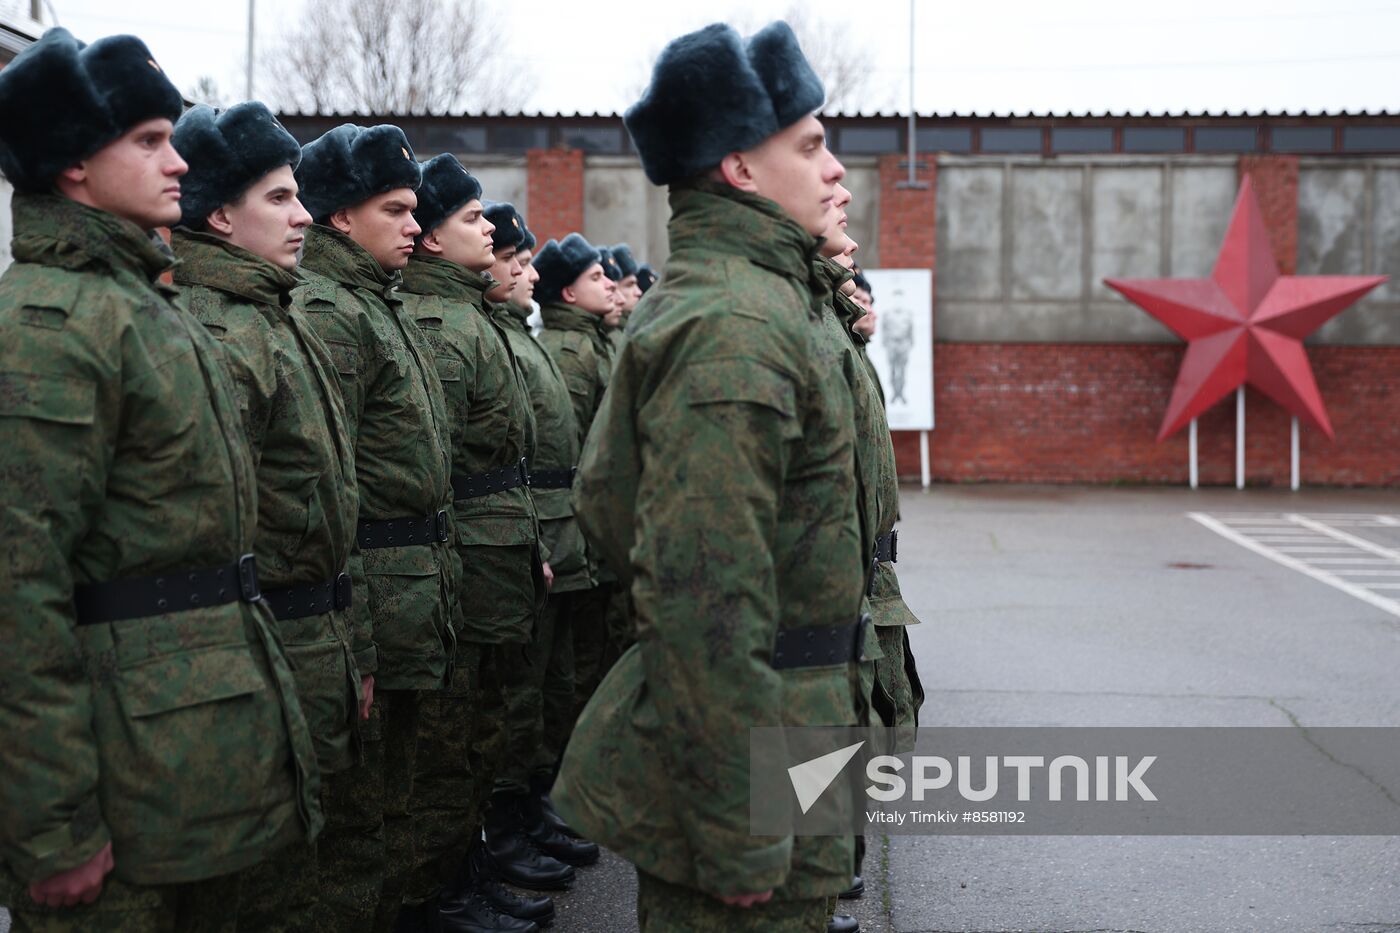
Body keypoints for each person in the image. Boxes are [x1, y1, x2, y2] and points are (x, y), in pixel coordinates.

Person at [0, 28, 320, 932]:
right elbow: (18, 590)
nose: (179, 161)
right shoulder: (52, 324)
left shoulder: (146, 304)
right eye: (147, 140)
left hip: (183, 757)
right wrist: (55, 824)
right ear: (71, 164)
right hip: (117, 772)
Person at [551, 21, 868, 932]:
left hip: (789, 724)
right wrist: (738, 823)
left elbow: (613, 506)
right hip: (758, 741)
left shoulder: (763, 300)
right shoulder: (734, 323)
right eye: (809, 146)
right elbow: (702, 594)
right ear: (739, 167)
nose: (835, 168)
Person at [171, 100, 366, 933]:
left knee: (304, 875)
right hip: (267, 643)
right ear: (220, 215)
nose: (304, 215)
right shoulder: (222, 332)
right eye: (279, 199)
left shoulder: (274, 317)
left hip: (310, 635)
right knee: (269, 893)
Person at [396, 156, 568, 933]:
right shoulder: (440, 326)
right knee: (451, 740)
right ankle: (449, 888)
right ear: (431, 239)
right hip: (458, 562)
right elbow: (435, 472)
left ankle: (471, 866)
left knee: (484, 727)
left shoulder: (472, 321)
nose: (493, 231)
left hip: (495, 551)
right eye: (473, 219)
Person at [292, 123, 457, 933]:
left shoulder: (374, 304)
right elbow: (332, 489)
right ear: (338, 217)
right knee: (360, 809)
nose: (414, 228)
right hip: (370, 590)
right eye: (394, 209)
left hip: (410, 585)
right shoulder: (329, 311)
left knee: (401, 785)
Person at [486, 210, 598, 860]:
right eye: (515, 259)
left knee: (555, 680)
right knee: (522, 689)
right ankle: (507, 823)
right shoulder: (545, 343)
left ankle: (534, 802)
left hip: (553, 527)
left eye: (529, 261)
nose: (525, 271)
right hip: (531, 528)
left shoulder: (523, 338)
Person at [533, 234, 620, 722]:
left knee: (591, 657)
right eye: (595, 277)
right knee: (576, 662)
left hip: (593, 526)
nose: (609, 285)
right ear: (568, 293)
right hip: (577, 528)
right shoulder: (569, 349)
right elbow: (569, 449)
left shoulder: (592, 341)